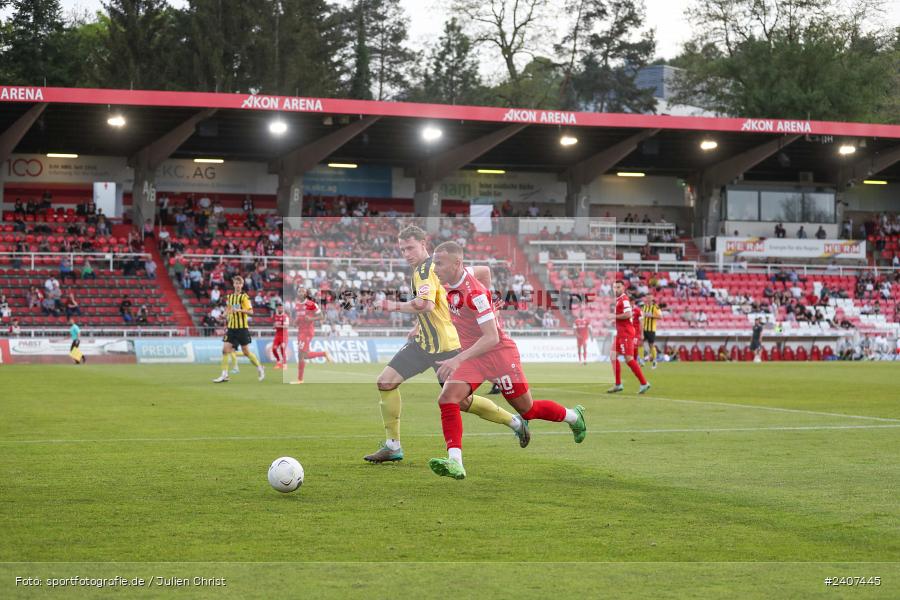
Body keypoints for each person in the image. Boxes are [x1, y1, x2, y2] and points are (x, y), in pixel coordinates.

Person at [363, 225, 528, 464]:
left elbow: (425, 304)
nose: (406, 253)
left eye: (410, 247)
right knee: (385, 382)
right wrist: (420, 326)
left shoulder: (427, 269)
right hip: (424, 344)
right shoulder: (431, 268)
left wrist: (391, 306)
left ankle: (514, 422)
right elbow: (482, 272)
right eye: (402, 249)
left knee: (462, 402)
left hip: (449, 348)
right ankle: (393, 446)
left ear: (424, 244)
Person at [425, 241, 586, 480]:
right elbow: (485, 271)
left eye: (439, 263)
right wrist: (492, 301)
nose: (434, 268)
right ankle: (455, 462)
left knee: (528, 410)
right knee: (448, 398)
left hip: (499, 355)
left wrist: (457, 358)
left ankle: (573, 416)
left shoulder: (474, 294)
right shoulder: (459, 277)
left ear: (457, 264)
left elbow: (491, 337)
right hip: (475, 358)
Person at [213, 276, 265, 383]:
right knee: (225, 350)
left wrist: (240, 310)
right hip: (231, 328)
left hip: (242, 328)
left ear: (242, 285)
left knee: (246, 352)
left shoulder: (244, 297)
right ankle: (224, 375)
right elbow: (228, 309)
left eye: (239, 283)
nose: (237, 285)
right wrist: (223, 316)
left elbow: (251, 312)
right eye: (235, 283)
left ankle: (259, 367)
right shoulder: (230, 297)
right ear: (233, 284)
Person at [607, 280, 650, 394]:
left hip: (626, 333)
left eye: (618, 287)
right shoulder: (618, 300)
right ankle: (618, 384)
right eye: (614, 287)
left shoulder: (624, 299)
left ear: (623, 288)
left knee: (629, 359)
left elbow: (628, 314)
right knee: (612, 356)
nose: (616, 289)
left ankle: (644, 383)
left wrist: (613, 316)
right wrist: (614, 319)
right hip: (620, 333)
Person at [291, 287, 333, 383]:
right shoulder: (297, 305)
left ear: (306, 294)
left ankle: (300, 379)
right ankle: (323, 354)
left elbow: (322, 316)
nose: (300, 293)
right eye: (299, 291)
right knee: (302, 355)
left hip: (307, 332)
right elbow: (299, 318)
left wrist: (311, 319)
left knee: (302, 355)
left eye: (303, 291)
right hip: (300, 331)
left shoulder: (311, 304)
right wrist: (295, 322)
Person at [641, 293, 663, 369]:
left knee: (651, 345)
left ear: (652, 298)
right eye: (647, 297)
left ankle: (654, 361)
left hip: (651, 330)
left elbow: (660, 316)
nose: (648, 299)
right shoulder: (644, 307)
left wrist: (651, 316)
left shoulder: (655, 307)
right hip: (643, 329)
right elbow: (641, 316)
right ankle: (642, 360)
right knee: (640, 344)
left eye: (650, 297)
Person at [271, 303, 289, 369]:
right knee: (274, 349)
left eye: (281, 308)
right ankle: (278, 362)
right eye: (279, 308)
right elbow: (274, 325)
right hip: (277, 335)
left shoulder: (285, 316)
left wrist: (277, 326)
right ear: (277, 308)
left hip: (284, 335)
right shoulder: (275, 316)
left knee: (282, 347)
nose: (280, 309)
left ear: (283, 308)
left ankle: (285, 364)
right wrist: (274, 326)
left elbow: (286, 326)